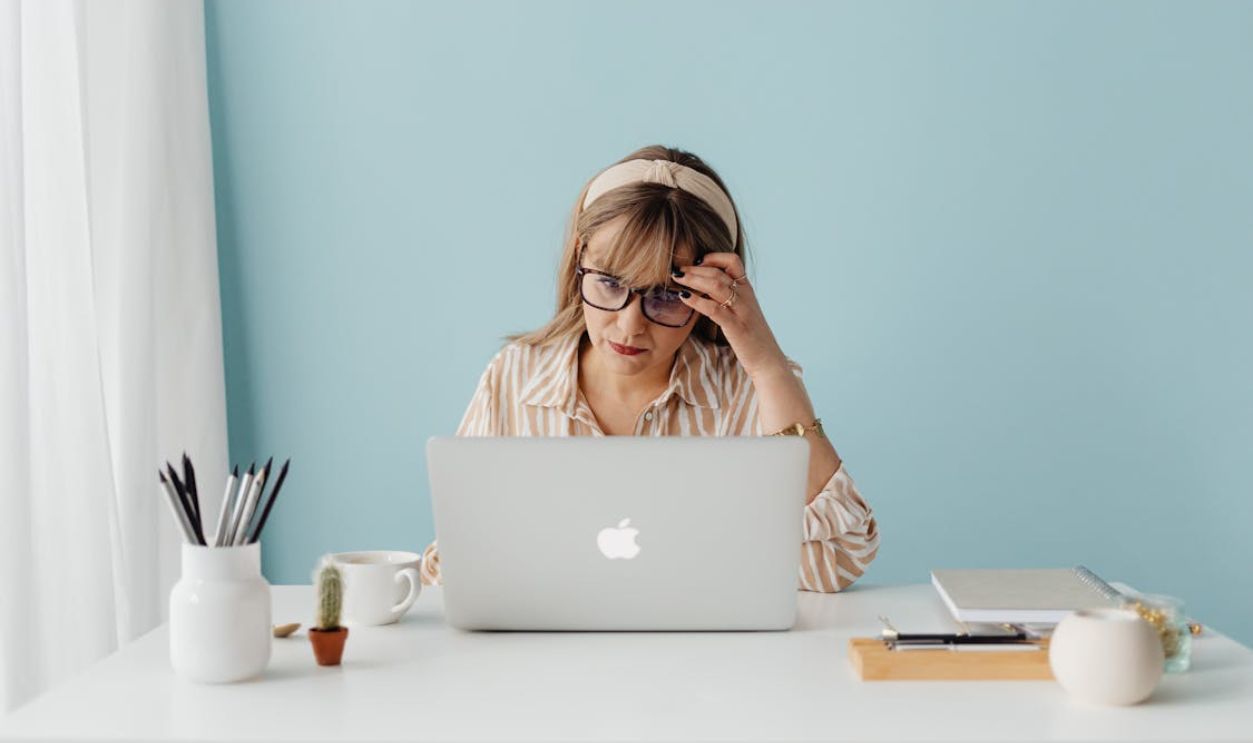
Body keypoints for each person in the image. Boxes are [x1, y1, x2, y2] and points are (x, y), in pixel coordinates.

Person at [419, 145, 878, 592]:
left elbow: (836, 560)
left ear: (711, 292)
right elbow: (453, 567)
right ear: (579, 259)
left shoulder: (750, 393)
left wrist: (768, 365)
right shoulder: (514, 378)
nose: (630, 325)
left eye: (666, 295)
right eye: (610, 283)